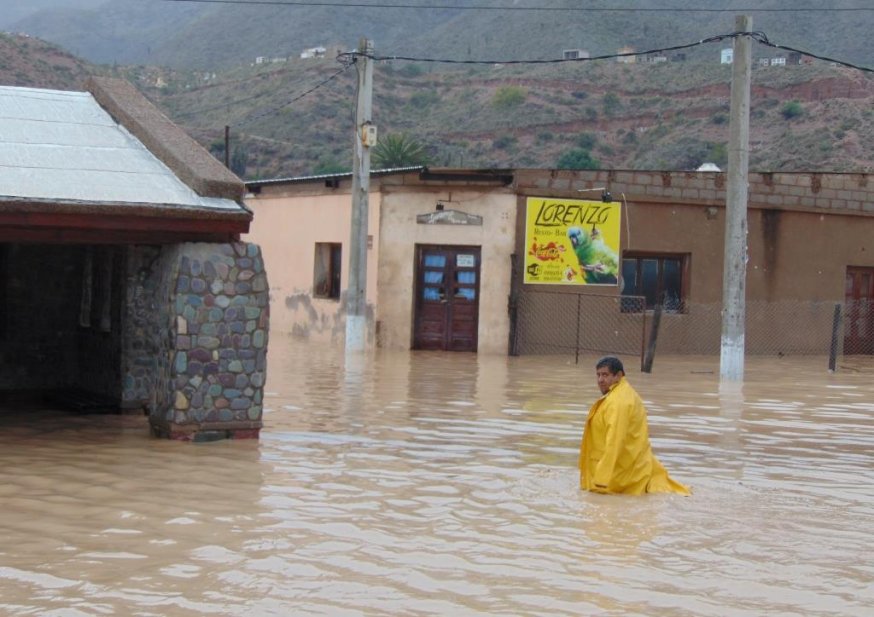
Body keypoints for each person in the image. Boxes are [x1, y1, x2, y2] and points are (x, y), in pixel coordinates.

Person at [579, 356, 691, 495]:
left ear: (618, 376)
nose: (600, 380)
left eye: (605, 375)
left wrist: (602, 479)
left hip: (621, 477)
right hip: (632, 468)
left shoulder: (619, 402)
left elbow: (615, 440)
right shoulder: (621, 395)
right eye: (598, 375)